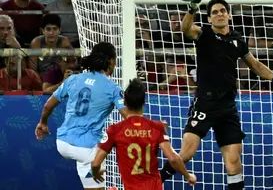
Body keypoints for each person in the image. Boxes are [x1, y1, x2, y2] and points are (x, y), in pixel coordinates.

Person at [160, 0, 273, 190]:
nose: (219, 14)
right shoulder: (203, 34)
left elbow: (254, 64)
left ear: (229, 15)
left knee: (233, 162)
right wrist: (192, 9)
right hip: (205, 103)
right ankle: (156, 180)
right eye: (214, 12)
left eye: (223, 11)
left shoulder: (238, 40)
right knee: (187, 153)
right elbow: (186, 28)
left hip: (227, 107)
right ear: (209, 19)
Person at [35, 42, 127, 190]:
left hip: (63, 144)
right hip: (87, 149)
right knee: (99, 146)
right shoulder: (113, 88)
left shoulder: (73, 79)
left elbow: (48, 106)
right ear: (111, 61)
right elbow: (129, 117)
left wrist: (43, 123)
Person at [91, 78, 197, 190]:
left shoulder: (115, 130)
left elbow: (95, 163)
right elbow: (173, 158)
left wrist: (95, 173)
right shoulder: (157, 127)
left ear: (125, 102)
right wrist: (188, 175)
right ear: (144, 103)